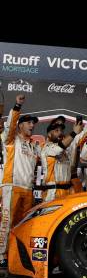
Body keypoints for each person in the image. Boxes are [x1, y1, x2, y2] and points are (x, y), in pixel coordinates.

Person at [0, 95, 40, 268]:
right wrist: (17, 106)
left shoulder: (34, 145)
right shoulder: (11, 140)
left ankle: (15, 256)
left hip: (27, 189)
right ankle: (1, 256)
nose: (32, 126)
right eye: (29, 123)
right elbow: (10, 125)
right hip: (12, 185)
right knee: (7, 223)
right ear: (20, 125)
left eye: (33, 123)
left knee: (22, 226)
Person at [40, 112, 87, 202]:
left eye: (61, 130)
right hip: (52, 192)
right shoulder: (47, 148)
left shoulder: (69, 143)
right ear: (49, 134)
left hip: (68, 189)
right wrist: (74, 132)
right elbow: (59, 148)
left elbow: (84, 133)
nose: (60, 133)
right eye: (56, 130)